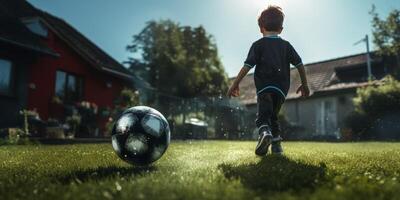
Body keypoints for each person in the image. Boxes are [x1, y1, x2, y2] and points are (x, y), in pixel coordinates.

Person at [227, 6, 310, 156]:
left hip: (265, 87)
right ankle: (277, 147)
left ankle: (265, 133)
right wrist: (304, 84)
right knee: (273, 116)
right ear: (281, 29)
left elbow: (247, 66)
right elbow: (300, 64)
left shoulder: (258, 45)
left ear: (261, 28)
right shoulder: (286, 46)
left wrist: (235, 83)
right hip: (281, 89)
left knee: (263, 117)